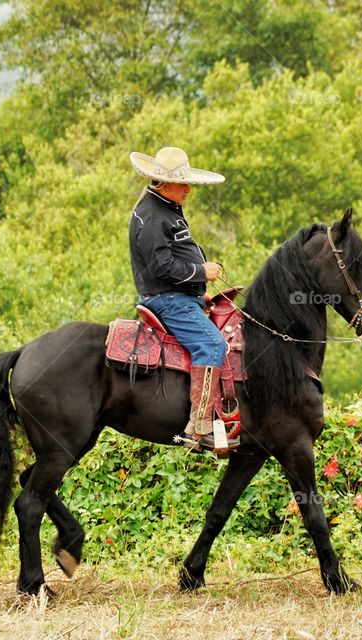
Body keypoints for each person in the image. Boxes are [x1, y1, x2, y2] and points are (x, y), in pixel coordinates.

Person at [128, 146, 238, 451]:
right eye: (183, 183)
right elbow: (161, 266)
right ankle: (199, 427)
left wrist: (197, 288)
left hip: (179, 296)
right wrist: (202, 271)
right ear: (165, 183)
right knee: (213, 344)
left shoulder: (164, 207)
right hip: (168, 300)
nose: (188, 189)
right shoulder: (153, 215)